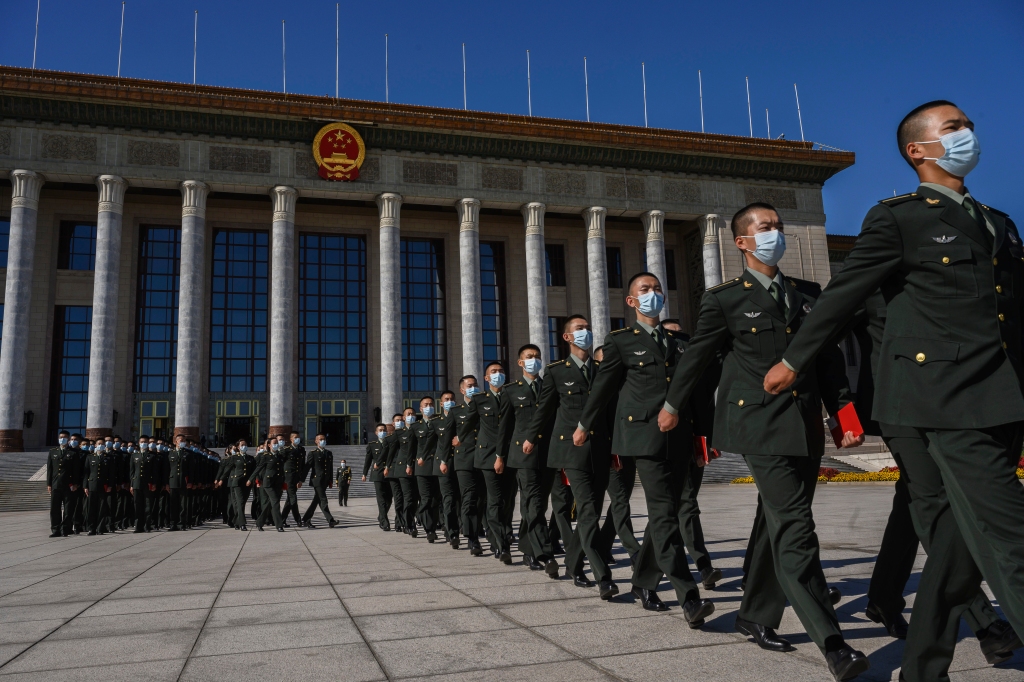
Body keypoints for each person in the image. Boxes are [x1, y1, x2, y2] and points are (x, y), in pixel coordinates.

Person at [760, 100, 1024, 682]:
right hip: (939, 397)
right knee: (1008, 532)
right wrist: (794, 362)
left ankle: (922, 668)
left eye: (969, 126)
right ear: (918, 150)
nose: (969, 135)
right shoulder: (899, 218)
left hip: (1002, 396)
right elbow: (842, 297)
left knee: (955, 543)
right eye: (954, 128)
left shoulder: (998, 222)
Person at [655, 203, 868, 679]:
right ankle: (833, 643)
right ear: (742, 242)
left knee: (778, 524)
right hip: (758, 424)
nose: (776, 234)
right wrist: (672, 407)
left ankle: (754, 613)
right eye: (765, 227)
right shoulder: (725, 298)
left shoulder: (808, 294)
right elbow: (696, 361)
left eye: (779, 227)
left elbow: (827, 358)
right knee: (796, 526)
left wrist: (843, 414)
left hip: (805, 423)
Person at [847, 292, 1020, 666]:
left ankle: (883, 598)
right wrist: (840, 406)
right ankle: (987, 624)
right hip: (896, 401)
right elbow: (822, 334)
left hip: (947, 400)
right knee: (934, 504)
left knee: (912, 504)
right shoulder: (876, 275)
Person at [577, 273, 717, 627]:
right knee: (665, 514)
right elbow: (603, 389)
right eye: (645, 290)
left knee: (665, 515)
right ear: (631, 301)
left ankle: (642, 582)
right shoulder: (621, 341)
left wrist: (705, 439)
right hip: (644, 438)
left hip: (682, 438)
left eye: (657, 289)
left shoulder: (680, 343)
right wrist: (583, 425)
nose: (653, 294)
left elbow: (697, 395)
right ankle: (689, 597)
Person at [526, 318, 617, 596]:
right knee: (588, 510)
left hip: (601, 448)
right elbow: (544, 409)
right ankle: (603, 577)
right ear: (566, 337)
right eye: (579, 328)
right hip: (571, 448)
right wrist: (531, 437)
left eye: (587, 327)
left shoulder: (603, 370)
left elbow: (611, 410)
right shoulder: (556, 371)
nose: (585, 331)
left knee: (593, 512)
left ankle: (573, 565)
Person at [500, 344, 558, 576]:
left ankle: (527, 549)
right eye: (529, 357)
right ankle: (545, 553)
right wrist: (500, 456)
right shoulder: (511, 390)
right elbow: (504, 428)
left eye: (537, 357)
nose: (534, 360)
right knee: (532, 504)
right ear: (520, 362)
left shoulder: (549, 387)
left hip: (547, 454)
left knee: (538, 505)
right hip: (522, 455)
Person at [468, 362, 515, 563]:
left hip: (512, 454)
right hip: (487, 456)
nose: (498, 375)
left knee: (508, 501)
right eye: (494, 372)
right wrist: (457, 439)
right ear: (486, 378)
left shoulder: (512, 395)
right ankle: (500, 544)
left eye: (501, 371)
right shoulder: (479, 400)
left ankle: (504, 533)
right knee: (494, 500)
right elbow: (464, 424)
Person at [446, 376, 484, 556]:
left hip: (485, 457)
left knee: (484, 499)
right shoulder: (456, 411)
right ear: (462, 390)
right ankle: (472, 538)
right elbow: (447, 438)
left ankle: (492, 534)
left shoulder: (486, 406)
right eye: (470, 386)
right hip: (464, 460)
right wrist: (445, 460)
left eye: (475, 385)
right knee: (469, 498)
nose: (473, 388)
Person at [433, 391, 461, 548]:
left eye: (452, 399)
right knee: (448, 500)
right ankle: (452, 533)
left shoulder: (461, 418)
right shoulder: (437, 422)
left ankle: (464, 527)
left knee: (461, 500)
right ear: (441, 403)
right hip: (444, 465)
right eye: (447, 399)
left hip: (461, 463)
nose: (450, 401)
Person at [411, 396, 441, 542]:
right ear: (421, 408)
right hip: (422, 467)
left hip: (437, 465)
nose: (429, 406)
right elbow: (411, 449)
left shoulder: (440, 423)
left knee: (436, 500)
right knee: (425, 499)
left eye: (431, 404)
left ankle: (433, 526)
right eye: (426, 405)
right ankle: (429, 529)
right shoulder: (415, 427)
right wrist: (410, 465)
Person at [248, 437, 286, 532]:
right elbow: (258, 468)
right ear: (269, 445)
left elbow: (282, 470)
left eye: (277, 442)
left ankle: (259, 522)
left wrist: (284, 482)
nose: (276, 444)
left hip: (278, 483)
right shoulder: (265, 456)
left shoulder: (280, 456)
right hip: (268, 483)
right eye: (274, 443)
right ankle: (279, 525)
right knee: (275, 502)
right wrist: (251, 479)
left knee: (270, 503)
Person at [46, 431, 79, 537]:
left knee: (68, 509)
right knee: (55, 508)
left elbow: (76, 470)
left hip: (68, 485)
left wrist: (75, 483)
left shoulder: (73, 452)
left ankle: (65, 528)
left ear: (68, 439)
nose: (62, 439)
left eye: (65, 437)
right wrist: (49, 484)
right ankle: (55, 529)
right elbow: (50, 469)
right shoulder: (53, 452)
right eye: (61, 437)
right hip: (55, 484)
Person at [393, 408, 419, 536]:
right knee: (408, 498)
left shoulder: (420, 429)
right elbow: (391, 452)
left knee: (417, 499)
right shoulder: (398, 433)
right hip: (403, 469)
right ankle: (409, 525)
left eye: (413, 414)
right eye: (408, 414)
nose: (411, 416)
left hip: (419, 468)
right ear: (403, 417)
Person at [302, 433, 337, 528]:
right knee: (323, 499)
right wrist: (301, 480)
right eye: (321, 439)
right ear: (316, 441)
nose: (323, 441)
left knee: (316, 500)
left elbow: (330, 468)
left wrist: (330, 480)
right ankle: (330, 520)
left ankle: (305, 519)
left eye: (324, 439)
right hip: (316, 480)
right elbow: (307, 467)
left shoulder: (328, 453)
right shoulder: (313, 453)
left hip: (325, 480)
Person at [364, 423, 393, 530]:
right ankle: (385, 521)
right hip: (377, 474)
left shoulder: (390, 443)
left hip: (389, 473)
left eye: (384, 430)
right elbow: (368, 460)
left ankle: (381, 516)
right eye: (380, 430)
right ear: (376, 433)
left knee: (389, 499)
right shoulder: (372, 445)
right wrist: (364, 474)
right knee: (381, 499)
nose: (382, 432)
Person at [82, 439, 114, 535]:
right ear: (95, 445)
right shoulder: (90, 457)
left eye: (102, 444)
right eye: (99, 444)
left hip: (104, 485)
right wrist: (85, 486)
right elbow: (86, 473)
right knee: (91, 508)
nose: (100, 445)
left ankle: (100, 528)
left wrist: (110, 485)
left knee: (102, 508)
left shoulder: (109, 458)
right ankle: (91, 528)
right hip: (92, 485)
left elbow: (111, 473)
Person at [383, 415, 406, 533]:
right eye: (398, 421)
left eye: (402, 420)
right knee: (398, 498)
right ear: (393, 423)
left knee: (406, 498)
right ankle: (399, 522)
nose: (400, 422)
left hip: (404, 470)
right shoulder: (389, 439)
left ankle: (403, 521)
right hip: (393, 471)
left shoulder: (408, 435)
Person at [280, 432, 305, 527]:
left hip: (296, 478)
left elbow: (302, 466)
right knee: (293, 499)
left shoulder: (301, 450)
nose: (297, 439)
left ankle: (282, 520)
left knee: (289, 500)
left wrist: (301, 480)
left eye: (298, 437)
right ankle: (298, 520)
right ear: (291, 439)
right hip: (288, 478)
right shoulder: (286, 450)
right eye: (295, 437)